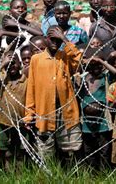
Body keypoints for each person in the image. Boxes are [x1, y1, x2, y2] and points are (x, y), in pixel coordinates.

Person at [24, 26, 82, 162]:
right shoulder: (36, 59)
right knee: (46, 150)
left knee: (71, 148)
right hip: (44, 111)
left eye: (58, 40)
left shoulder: (66, 57)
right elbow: (31, 88)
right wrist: (29, 114)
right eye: (52, 39)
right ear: (45, 39)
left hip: (66, 110)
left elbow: (79, 60)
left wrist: (65, 39)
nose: (55, 43)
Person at [76, 48, 112, 169]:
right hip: (86, 122)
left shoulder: (105, 77)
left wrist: (101, 61)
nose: (96, 67)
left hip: (103, 121)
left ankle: (105, 172)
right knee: (89, 150)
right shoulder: (82, 78)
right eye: (93, 64)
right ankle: (92, 174)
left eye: (98, 64)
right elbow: (73, 74)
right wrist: (83, 61)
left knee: (105, 149)